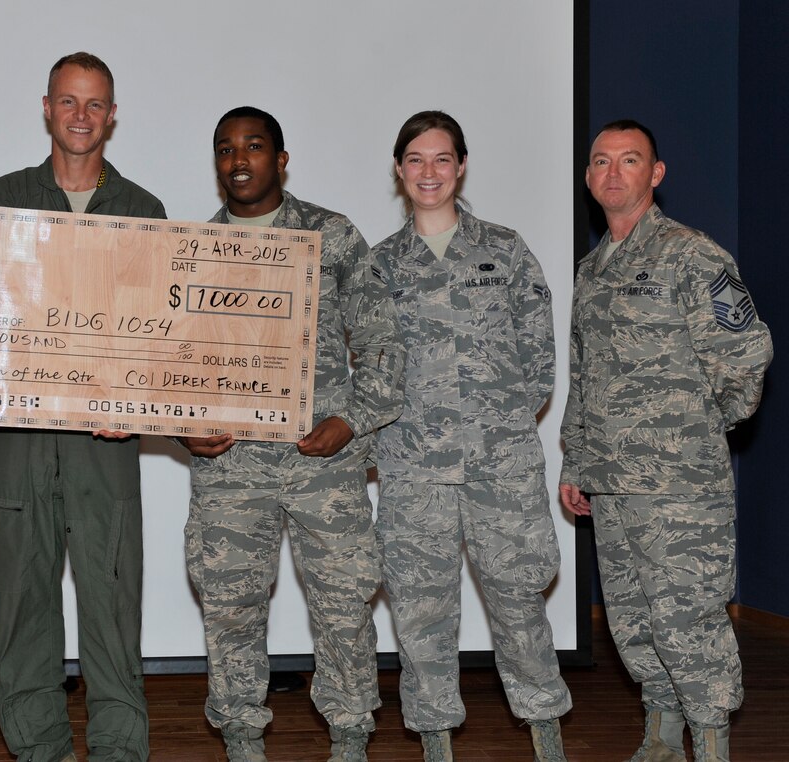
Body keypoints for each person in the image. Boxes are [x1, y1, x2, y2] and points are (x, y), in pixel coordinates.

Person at [180, 106, 405, 762]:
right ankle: (242, 740)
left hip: (321, 462)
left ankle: (350, 739)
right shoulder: (194, 250)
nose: (239, 160)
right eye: (226, 149)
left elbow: (384, 342)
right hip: (231, 468)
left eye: (253, 146)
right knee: (231, 610)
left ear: (280, 160)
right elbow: (168, 358)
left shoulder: (330, 236)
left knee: (343, 608)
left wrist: (352, 420)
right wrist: (182, 428)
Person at [560, 120, 772, 762]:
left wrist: (694, 432)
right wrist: (575, 460)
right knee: (633, 622)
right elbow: (583, 375)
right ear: (589, 177)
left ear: (655, 173)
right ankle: (661, 741)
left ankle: (711, 746)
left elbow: (745, 355)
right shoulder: (592, 269)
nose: (613, 172)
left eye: (630, 160)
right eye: (601, 161)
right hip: (612, 485)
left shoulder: (692, 254)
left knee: (689, 621)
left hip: (680, 486)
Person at [0, 52, 166, 762]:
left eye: (94, 104)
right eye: (68, 101)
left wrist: (140, 406)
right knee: (24, 599)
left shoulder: (143, 211)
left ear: (111, 116)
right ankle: (39, 748)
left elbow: (158, 338)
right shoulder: (1, 198)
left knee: (112, 600)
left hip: (105, 441)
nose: (80, 116)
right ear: (47, 108)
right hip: (20, 435)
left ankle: (119, 749)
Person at [371, 111, 571, 762]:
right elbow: (366, 370)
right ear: (399, 170)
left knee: (520, 610)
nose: (428, 172)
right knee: (420, 618)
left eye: (442, 159)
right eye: (416, 159)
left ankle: (547, 740)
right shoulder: (378, 267)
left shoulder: (505, 251)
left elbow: (539, 358)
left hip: (500, 471)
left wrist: (496, 426)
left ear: (460, 166)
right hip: (413, 476)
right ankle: (436, 747)